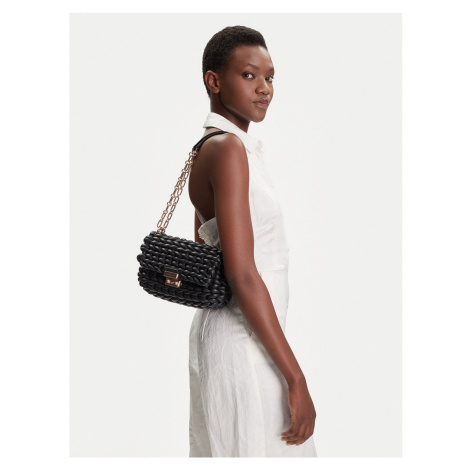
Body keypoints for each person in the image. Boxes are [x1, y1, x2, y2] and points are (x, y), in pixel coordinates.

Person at [187, 25, 318, 458]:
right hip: (245, 343)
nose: (264, 88)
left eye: (270, 77)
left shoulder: (214, 147)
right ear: (214, 80)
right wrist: (296, 377)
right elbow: (241, 273)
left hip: (242, 337)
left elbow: (205, 249)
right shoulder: (228, 149)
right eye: (249, 75)